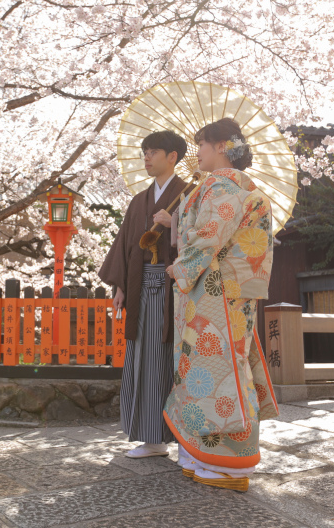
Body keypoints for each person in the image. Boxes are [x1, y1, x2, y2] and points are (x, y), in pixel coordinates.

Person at [164, 118, 279, 491]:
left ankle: (230, 461)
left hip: (214, 290)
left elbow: (211, 234)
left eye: (201, 145)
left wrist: (179, 267)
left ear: (222, 147)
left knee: (216, 371)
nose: (196, 152)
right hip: (226, 290)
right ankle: (201, 453)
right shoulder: (236, 187)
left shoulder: (221, 184)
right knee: (216, 366)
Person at [99, 130, 189, 458]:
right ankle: (153, 439)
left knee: (179, 362)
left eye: (153, 152)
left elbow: (204, 240)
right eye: (145, 152)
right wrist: (121, 286)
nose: (147, 158)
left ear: (173, 157)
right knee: (145, 360)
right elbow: (126, 247)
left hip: (178, 293)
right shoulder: (139, 201)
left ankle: (188, 440)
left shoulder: (189, 194)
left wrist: (175, 224)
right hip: (143, 290)